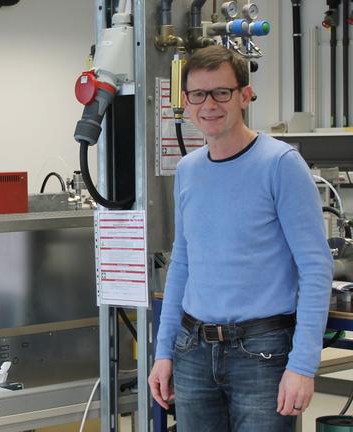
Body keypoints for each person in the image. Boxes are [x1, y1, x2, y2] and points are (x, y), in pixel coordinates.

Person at [147, 45, 333, 431]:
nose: (209, 104)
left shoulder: (280, 164)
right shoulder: (188, 170)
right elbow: (182, 263)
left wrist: (302, 365)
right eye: (198, 94)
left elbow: (316, 268)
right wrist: (163, 352)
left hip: (262, 353)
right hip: (193, 350)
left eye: (222, 92)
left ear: (245, 96)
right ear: (186, 101)